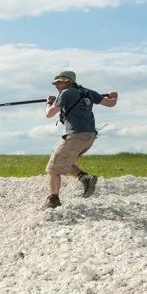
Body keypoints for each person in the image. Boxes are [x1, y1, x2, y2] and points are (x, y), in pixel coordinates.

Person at [43, 70, 119, 209]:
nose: (56, 85)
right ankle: (85, 179)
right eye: (55, 83)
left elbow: (49, 114)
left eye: (59, 82)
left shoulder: (65, 93)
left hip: (76, 135)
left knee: (54, 167)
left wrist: (49, 102)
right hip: (89, 136)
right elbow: (110, 103)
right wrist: (114, 96)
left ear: (68, 81)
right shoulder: (88, 92)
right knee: (64, 161)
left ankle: (53, 200)